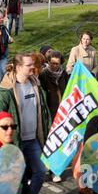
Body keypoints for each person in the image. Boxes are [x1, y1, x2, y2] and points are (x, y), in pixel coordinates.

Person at [0, 53, 52, 194]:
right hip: (16, 141)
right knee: (19, 177)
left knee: (41, 171)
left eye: (33, 64)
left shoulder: (36, 84)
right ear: (18, 67)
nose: (33, 67)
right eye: (29, 65)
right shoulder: (5, 90)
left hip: (34, 140)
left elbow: (44, 112)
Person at [38, 51, 69, 183]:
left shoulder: (65, 75)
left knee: (59, 143)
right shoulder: (44, 75)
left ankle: (55, 171)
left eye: (56, 63)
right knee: (47, 143)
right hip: (48, 113)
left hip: (61, 114)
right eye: (51, 63)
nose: (54, 66)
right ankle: (45, 169)